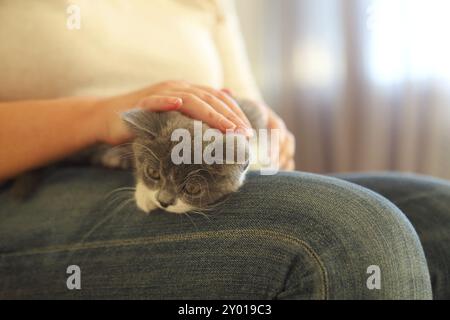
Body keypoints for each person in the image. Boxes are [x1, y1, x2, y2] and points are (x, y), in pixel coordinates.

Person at [0, 0, 448, 299]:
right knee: (350, 235)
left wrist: (268, 133)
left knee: (440, 212)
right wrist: (98, 115)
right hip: (44, 176)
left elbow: (242, 102)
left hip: (199, 163)